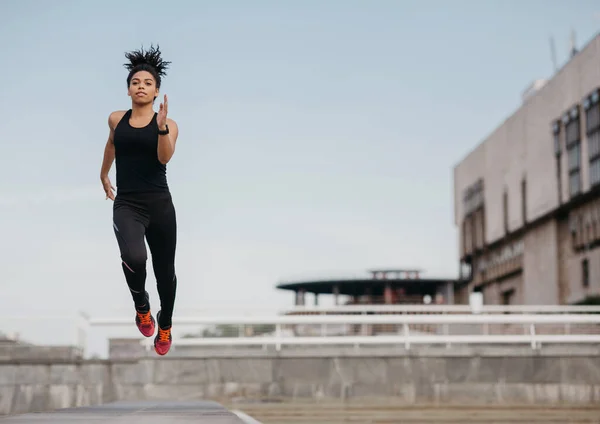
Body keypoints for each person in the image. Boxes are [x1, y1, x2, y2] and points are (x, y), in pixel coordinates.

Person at [99, 45, 179, 356]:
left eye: (147, 83)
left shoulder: (168, 125)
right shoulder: (115, 118)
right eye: (136, 82)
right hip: (128, 204)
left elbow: (164, 158)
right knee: (134, 258)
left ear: (157, 91)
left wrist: (160, 128)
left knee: (165, 273)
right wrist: (104, 175)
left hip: (159, 205)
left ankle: (166, 323)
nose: (141, 86)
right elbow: (111, 146)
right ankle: (141, 306)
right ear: (129, 89)